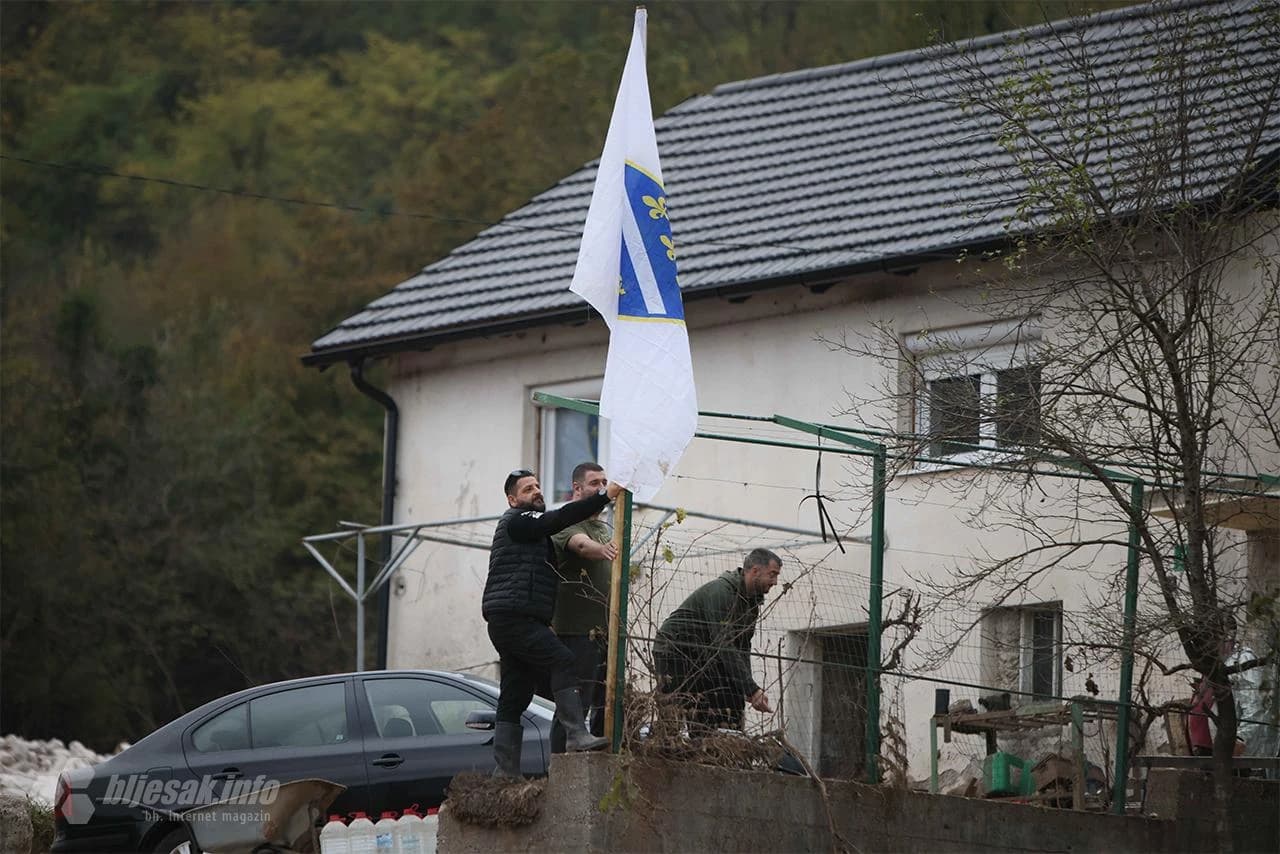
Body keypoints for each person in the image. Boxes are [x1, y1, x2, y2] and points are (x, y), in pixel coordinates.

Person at [482, 468, 621, 776]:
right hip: (515, 617)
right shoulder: (518, 520)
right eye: (528, 489)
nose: (537, 492)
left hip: (507, 619)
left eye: (538, 486)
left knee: (516, 692)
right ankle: (576, 735)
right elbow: (558, 519)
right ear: (513, 499)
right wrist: (604, 495)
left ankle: (505, 773)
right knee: (562, 659)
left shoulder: (529, 532)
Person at [652, 548, 782, 732]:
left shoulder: (751, 604)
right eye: (772, 574)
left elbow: (742, 645)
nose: (775, 582)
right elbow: (724, 643)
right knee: (675, 712)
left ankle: (707, 753)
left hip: (702, 653)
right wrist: (752, 689)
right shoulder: (721, 592)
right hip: (674, 649)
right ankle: (664, 753)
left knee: (714, 711)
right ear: (755, 571)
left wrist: (746, 686)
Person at [546, 462, 616, 753]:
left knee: (603, 701)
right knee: (575, 703)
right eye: (594, 483)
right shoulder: (565, 521)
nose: (601, 489)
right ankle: (561, 767)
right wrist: (604, 550)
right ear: (577, 488)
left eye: (604, 482)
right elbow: (582, 546)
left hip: (603, 630)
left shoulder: (601, 525)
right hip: (576, 630)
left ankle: (594, 763)